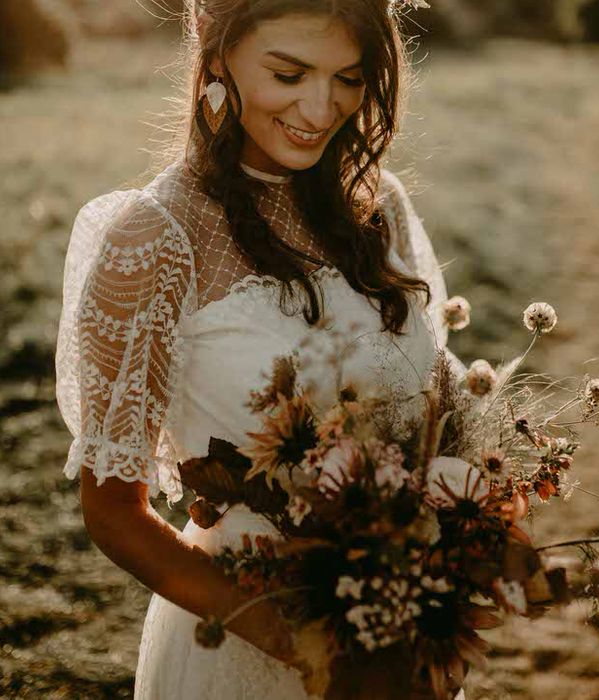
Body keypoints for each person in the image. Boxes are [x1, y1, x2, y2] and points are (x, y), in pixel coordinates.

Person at [55, 0, 466, 697]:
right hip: (247, 645)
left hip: (409, 633)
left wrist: (460, 563)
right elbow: (114, 513)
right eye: (289, 73)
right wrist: (311, 647)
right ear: (218, 57)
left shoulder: (377, 205)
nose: (321, 106)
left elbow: (435, 406)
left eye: (349, 77)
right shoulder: (154, 240)